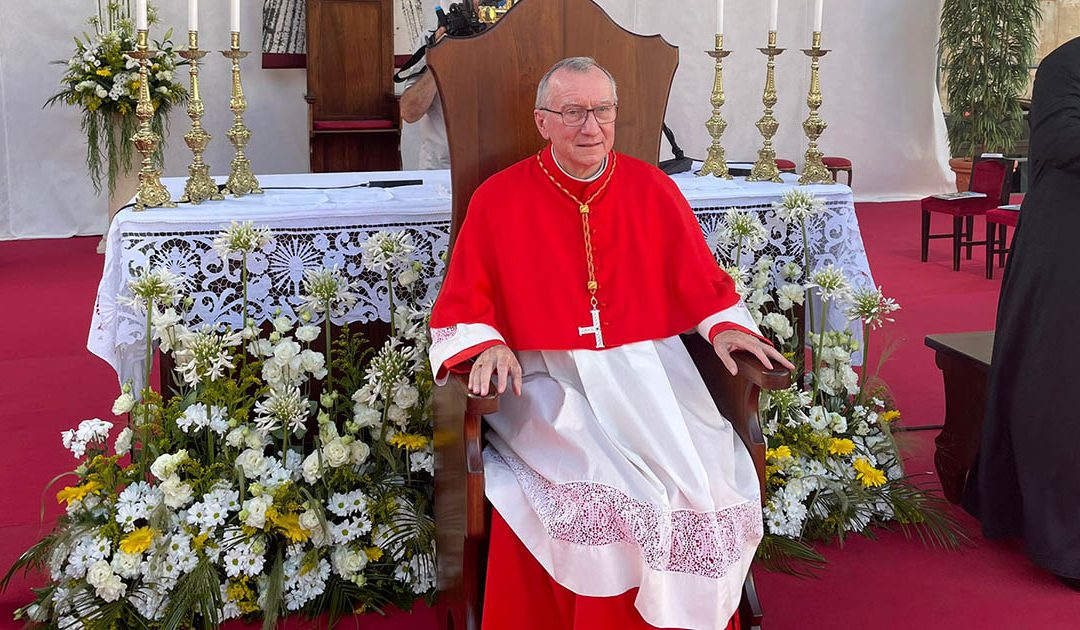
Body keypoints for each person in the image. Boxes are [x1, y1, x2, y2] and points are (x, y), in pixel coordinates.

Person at [428, 57, 793, 629]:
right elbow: (463, 303)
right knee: (602, 482)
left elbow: (701, 282)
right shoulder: (499, 198)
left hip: (649, 370)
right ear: (543, 120)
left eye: (601, 111)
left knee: (701, 480)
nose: (589, 126)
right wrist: (487, 344)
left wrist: (728, 328)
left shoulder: (652, 188)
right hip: (548, 377)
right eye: (573, 111)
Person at [963, 36, 1080, 590]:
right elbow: (1061, 139)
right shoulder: (1066, 63)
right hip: (1066, 249)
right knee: (1059, 387)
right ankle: (1063, 539)